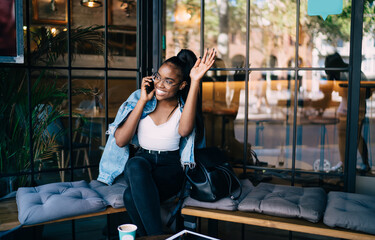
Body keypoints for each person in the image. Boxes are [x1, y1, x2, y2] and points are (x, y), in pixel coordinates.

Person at [97, 49, 216, 236]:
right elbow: (120, 141)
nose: (160, 84)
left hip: (170, 169)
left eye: (169, 81)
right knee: (135, 164)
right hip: (142, 163)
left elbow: (184, 130)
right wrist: (143, 101)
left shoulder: (183, 108)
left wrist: (195, 81)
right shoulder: (139, 98)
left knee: (130, 196)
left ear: (182, 85)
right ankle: (160, 237)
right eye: (158, 77)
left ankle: (153, 236)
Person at [325, 52, 371, 173]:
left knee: (351, 138)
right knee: (356, 137)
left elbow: (331, 93)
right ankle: (355, 164)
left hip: (351, 109)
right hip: (354, 108)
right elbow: (367, 94)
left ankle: (347, 165)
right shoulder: (354, 72)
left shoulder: (344, 74)